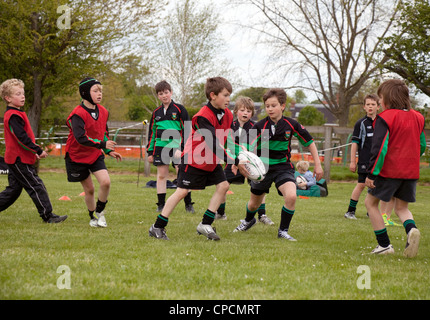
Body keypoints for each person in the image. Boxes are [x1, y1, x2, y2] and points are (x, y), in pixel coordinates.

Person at [148, 77, 247, 241]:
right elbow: (213, 143)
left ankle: (205, 224)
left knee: (223, 186)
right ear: (213, 95)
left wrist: (239, 152)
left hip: (211, 160)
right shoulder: (202, 116)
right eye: (225, 95)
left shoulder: (228, 114)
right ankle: (157, 227)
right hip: (194, 160)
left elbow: (227, 138)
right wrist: (234, 161)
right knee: (182, 192)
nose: (229, 99)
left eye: (230, 95)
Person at [233, 88, 323, 240]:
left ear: (282, 106)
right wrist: (239, 160)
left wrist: (318, 164)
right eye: (267, 106)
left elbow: (309, 142)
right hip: (262, 169)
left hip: (283, 167)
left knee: (292, 196)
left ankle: (283, 231)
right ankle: (249, 220)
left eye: (273, 105)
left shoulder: (291, 124)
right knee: (254, 205)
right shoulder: (259, 126)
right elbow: (246, 147)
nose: (270, 109)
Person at [364, 79, 426, 257]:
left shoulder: (385, 117)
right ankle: (411, 229)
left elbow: (380, 148)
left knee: (370, 203)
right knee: (401, 208)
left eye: (380, 98)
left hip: (389, 171)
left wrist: (371, 173)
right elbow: (421, 145)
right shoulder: (418, 117)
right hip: (411, 172)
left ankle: (384, 245)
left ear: (386, 100)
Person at [0, 79, 67, 223]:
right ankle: (48, 216)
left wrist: (32, 152)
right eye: (18, 94)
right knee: (36, 185)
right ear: (8, 98)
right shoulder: (12, 116)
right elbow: (21, 138)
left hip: (17, 158)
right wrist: (37, 149)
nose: (23, 96)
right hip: (18, 160)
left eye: (23, 93)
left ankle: (47, 215)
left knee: (13, 191)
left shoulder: (17, 113)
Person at [65, 77, 122, 228]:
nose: (99, 94)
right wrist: (103, 144)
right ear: (85, 93)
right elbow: (80, 138)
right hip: (77, 156)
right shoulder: (77, 114)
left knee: (106, 182)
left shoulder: (103, 111)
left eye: (101, 91)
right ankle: (92, 217)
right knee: (89, 190)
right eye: (95, 90)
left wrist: (108, 150)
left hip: (95, 153)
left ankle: (100, 212)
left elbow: (102, 133)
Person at [216, 96, 273, 225]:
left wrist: (246, 152)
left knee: (259, 186)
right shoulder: (231, 125)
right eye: (242, 110)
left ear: (252, 113)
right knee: (223, 185)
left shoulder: (255, 127)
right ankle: (220, 212)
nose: (245, 113)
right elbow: (228, 143)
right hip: (233, 161)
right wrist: (234, 155)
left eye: (248, 111)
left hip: (251, 163)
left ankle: (262, 215)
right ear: (236, 111)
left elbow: (256, 145)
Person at [146, 80, 194, 213]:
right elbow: (152, 133)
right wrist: (150, 151)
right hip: (161, 147)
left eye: (166, 92)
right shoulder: (156, 113)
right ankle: (161, 205)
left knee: (182, 174)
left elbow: (187, 130)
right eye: (161, 94)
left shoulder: (180, 109)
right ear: (158, 96)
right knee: (162, 176)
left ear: (171, 92)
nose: (164, 96)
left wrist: (182, 148)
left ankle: (188, 204)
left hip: (177, 146)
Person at [344, 94, 380, 219]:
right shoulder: (361, 123)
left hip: (377, 161)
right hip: (364, 160)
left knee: (376, 185)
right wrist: (353, 161)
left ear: (378, 106)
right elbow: (355, 144)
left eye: (373, 104)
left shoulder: (381, 123)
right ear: (364, 107)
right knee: (361, 184)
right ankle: (350, 211)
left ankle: (371, 211)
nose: (370, 107)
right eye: (368, 104)